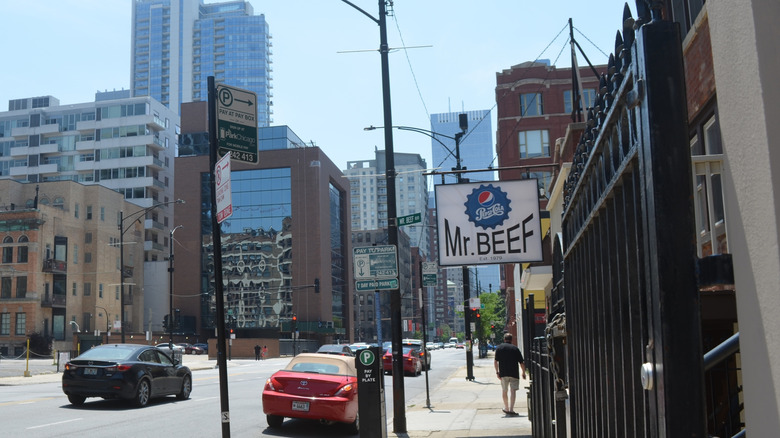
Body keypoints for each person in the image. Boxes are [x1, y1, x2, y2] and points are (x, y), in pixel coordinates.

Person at [494, 332, 527, 416]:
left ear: (504, 339)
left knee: (504, 390)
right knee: (513, 391)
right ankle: (512, 409)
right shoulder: (515, 349)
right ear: (511, 340)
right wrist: (523, 372)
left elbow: (495, 362)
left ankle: (506, 408)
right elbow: (521, 362)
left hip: (503, 373)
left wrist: (497, 372)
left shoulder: (499, 348)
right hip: (514, 373)